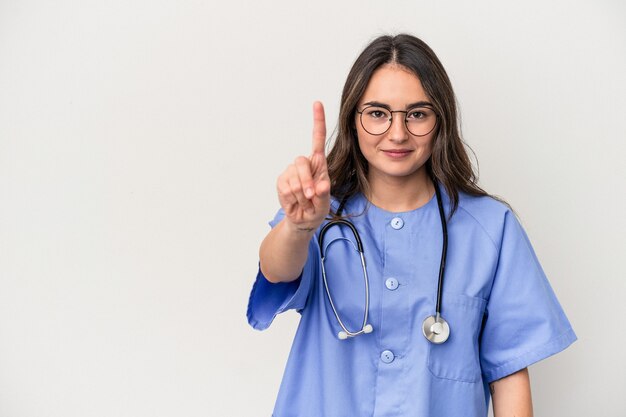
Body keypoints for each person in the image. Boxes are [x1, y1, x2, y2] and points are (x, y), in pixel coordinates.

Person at [247, 34, 576, 417]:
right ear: (353, 120)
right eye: (377, 113)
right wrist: (298, 227)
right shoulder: (321, 213)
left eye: (417, 114)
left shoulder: (490, 228)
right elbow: (276, 271)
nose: (398, 133)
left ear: (441, 121)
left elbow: (509, 371)